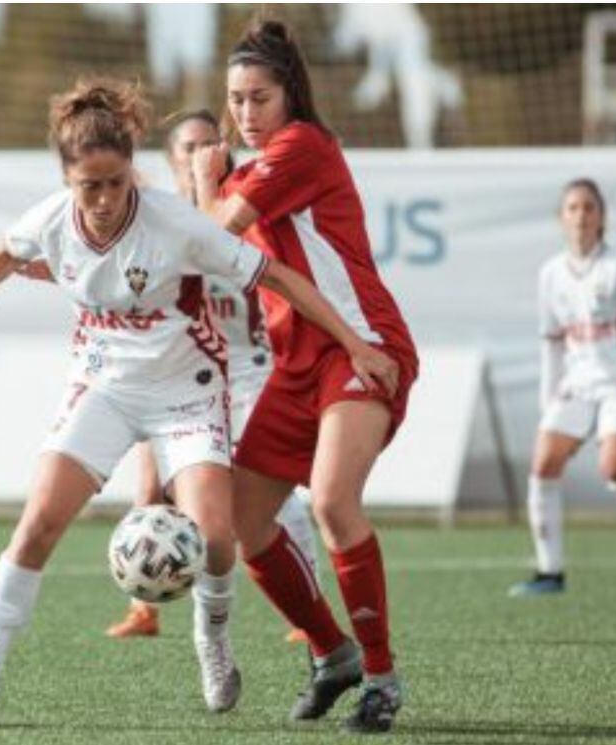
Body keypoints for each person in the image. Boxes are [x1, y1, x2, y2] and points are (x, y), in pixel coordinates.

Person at [0, 76, 399, 730]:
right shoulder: (50, 219)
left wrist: (353, 341)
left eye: (116, 182)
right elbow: (4, 253)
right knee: (36, 526)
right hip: (102, 389)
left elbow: (275, 273)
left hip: (186, 396)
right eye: (90, 186)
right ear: (67, 180)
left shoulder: (175, 223)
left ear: (132, 170)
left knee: (218, 537)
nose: (105, 199)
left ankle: (211, 638)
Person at [191, 20, 418, 734]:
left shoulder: (302, 147)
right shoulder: (254, 165)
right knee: (241, 522)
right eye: (235, 100)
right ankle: (332, 652)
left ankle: (381, 677)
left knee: (330, 501)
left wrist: (202, 178)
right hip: (296, 364)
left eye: (260, 97)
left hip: (362, 347)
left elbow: (210, 238)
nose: (246, 113)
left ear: (291, 97)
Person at [100, 109, 320, 642]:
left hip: (245, 372)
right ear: (172, 158)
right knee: (149, 486)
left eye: (208, 144)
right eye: (188, 146)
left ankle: (305, 609)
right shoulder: (154, 214)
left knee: (268, 488)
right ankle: (143, 609)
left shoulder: (243, 211)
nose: (200, 153)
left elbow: (218, 248)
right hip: (179, 371)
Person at [509, 178, 616, 599]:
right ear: (561, 218)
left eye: (589, 207)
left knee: (615, 470)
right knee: (544, 463)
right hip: (575, 385)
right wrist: (548, 400)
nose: (581, 215)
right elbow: (551, 340)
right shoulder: (550, 274)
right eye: (572, 208)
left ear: (602, 217)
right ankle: (550, 572)